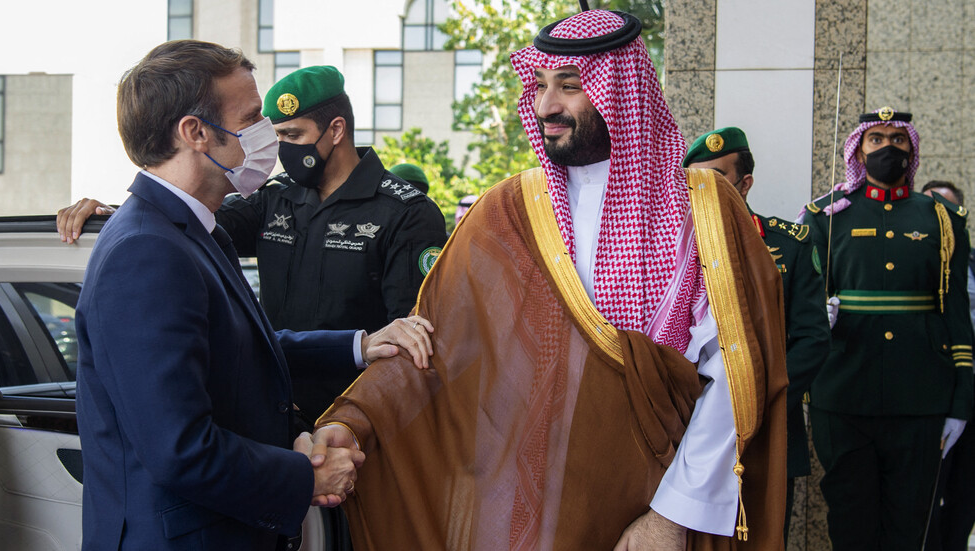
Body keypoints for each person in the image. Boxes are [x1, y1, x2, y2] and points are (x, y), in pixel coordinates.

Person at [310, 9, 788, 550]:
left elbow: (732, 375)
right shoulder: (508, 210)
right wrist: (355, 422)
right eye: (538, 85)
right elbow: (437, 348)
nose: (545, 106)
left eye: (570, 86)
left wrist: (670, 518)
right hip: (538, 508)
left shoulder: (702, 208)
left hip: (660, 500)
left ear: (622, 91)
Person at [76, 40, 376, 551]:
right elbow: (180, 448)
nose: (266, 134)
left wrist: (300, 438)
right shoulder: (146, 250)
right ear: (195, 132)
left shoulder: (195, 231)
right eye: (252, 117)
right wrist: (306, 477)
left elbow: (241, 356)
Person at [57, 65, 447, 421]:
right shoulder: (273, 199)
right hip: (276, 416)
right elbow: (185, 222)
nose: (282, 149)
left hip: (359, 422)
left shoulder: (405, 213)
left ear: (336, 130)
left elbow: (409, 344)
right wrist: (115, 213)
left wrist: (353, 422)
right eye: (277, 136)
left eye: (293, 135)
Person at [801, 107, 973, 550]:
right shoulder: (826, 216)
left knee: (908, 523)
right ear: (858, 150)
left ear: (911, 150)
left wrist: (961, 401)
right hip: (843, 394)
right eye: (875, 139)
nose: (887, 148)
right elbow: (803, 301)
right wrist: (821, 315)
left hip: (921, 395)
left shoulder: (943, 219)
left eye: (897, 140)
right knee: (851, 521)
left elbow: (956, 316)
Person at [684, 127, 830, 541]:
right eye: (694, 180)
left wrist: (757, 398)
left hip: (766, 424)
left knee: (762, 537)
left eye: (716, 178)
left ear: (744, 183)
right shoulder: (671, 249)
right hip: (687, 423)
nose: (703, 189)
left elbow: (813, 339)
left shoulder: (790, 244)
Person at [920, 181, 975, 551]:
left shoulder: (969, 261)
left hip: (970, 390)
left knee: (966, 489)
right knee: (926, 491)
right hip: (930, 392)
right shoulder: (910, 262)